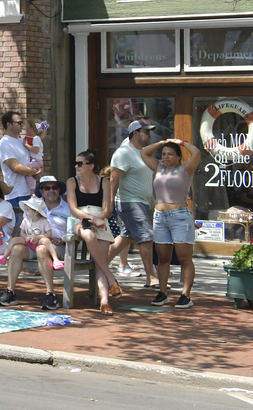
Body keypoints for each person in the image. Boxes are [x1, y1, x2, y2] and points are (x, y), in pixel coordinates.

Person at [141, 138, 201, 308]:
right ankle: (162, 293)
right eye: (164, 154)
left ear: (178, 157)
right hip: (160, 216)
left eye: (170, 154)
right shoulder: (159, 167)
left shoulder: (185, 169)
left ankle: (185, 295)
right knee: (163, 257)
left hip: (180, 216)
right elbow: (144, 152)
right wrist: (161, 143)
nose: (166, 157)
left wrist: (181, 142)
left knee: (184, 257)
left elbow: (196, 152)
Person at [105, 119, 159, 288]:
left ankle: (98, 265)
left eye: (150, 132)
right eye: (146, 132)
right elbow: (113, 179)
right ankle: (151, 277)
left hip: (143, 202)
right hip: (129, 202)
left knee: (126, 238)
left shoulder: (143, 152)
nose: (150, 135)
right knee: (146, 236)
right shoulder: (124, 153)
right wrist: (110, 204)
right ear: (135, 133)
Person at [66, 150, 121, 313]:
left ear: (91, 166)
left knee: (100, 260)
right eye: (75, 163)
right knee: (88, 234)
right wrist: (91, 218)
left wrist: (99, 218)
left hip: (100, 219)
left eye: (80, 163)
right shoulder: (72, 181)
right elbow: (74, 209)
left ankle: (104, 301)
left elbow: (106, 208)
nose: (76, 166)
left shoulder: (103, 181)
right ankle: (111, 278)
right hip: (80, 219)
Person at [0, 194, 64, 309]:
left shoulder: (45, 220)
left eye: (28, 209)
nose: (26, 211)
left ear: (37, 211)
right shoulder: (26, 220)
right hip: (29, 245)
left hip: (50, 245)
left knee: (42, 248)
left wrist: (38, 238)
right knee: (16, 248)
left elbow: (48, 235)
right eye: (46, 188)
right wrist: (26, 237)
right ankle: (10, 292)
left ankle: (51, 294)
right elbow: (22, 233)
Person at [0, 111, 43, 205]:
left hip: (29, 192)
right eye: (19, 122)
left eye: (22, 122)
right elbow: (15, 168)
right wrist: (34, 171)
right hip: (16, 194)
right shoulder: (4, 143)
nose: (22, 125)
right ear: (9, 124)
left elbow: (34, 158)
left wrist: (40, 170)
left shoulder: (22, 141)